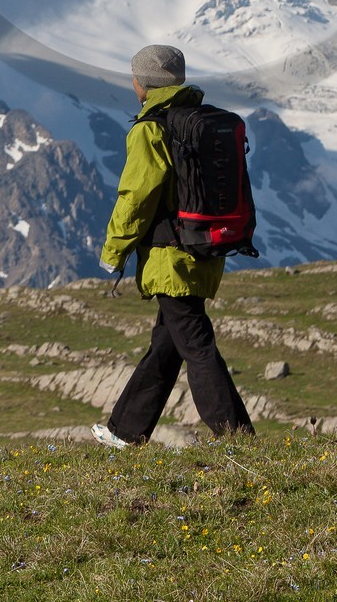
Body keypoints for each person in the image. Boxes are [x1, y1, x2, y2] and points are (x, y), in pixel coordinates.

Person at [91, 44, 255, 448]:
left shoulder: (151, 129)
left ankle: (237, 438)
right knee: (167, 343)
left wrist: (114, 250)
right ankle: (126, 431)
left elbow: (136, 196)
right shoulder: (201, 121)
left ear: (141, 84)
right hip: (205, 248)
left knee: (195, 344)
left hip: (170, 256)